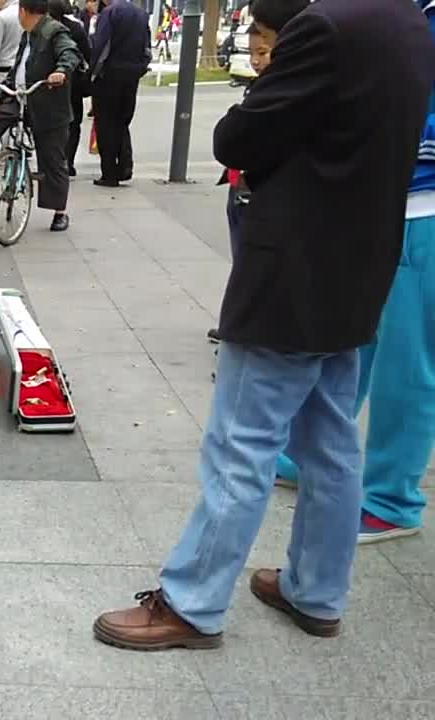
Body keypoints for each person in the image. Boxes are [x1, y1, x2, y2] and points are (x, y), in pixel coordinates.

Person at [92, 0, 435, 651]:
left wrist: (251, 106)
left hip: (293, 272)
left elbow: (239, 140)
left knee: (240, 443)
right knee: (330, 441)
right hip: (359, 266)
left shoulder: (326, 27)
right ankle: (316, 590)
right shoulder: (408, 22)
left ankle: (193, 602)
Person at [270, 0, 435, 545]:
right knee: (350, 341)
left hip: (422, 204)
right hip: (378, 201)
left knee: (405, 364)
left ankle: (392, 498)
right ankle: (305, 452)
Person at [0, 0, 80, 232]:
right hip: (21, 96)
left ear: (23, 11)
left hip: (47, 103)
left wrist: (61, 71)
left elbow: (70, 52)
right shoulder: (28, 34)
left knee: (52, 159)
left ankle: (59, 212)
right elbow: (17, 69)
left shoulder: (55, 31)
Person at [206, 20, 278, 345]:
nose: (256, 60)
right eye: (252, 53)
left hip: (258, 192)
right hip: (239, 185)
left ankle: (242, 329)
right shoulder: (259, 85)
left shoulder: (283, 91)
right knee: (240, 257)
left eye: (263, 52)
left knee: (251, 264)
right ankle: (234, 322)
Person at [88, 0, 150, 186]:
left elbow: (101, 46)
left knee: (106, 123)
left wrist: (92, 74)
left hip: (110, 75)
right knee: (122, 121)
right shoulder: (140, 14)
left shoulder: (110, 13)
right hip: (132, 74)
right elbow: (146, 46)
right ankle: (125, 165)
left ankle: (109, 173)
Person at [50, 0, 92, 176]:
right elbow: (88, 54)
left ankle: (55, 161)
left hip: (50, 83)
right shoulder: (76, 28)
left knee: (51, 123)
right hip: (73, 83)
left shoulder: (45, 29)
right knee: (73, 122)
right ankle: (68, 161)